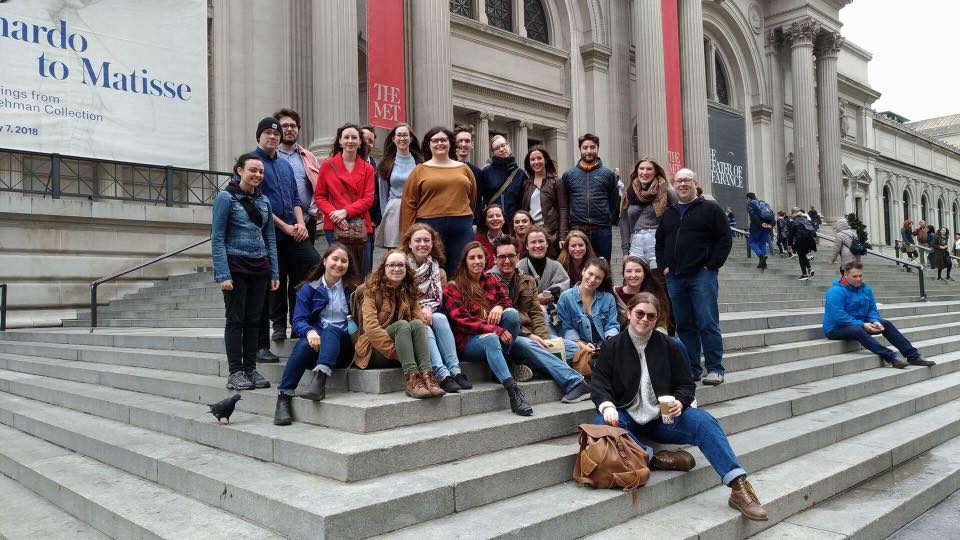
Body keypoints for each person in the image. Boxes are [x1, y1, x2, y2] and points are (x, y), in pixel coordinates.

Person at [590, 292, 768, 521]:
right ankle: (656, 459)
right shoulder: (612, 346)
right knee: (600, 424)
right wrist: (606, 406)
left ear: (657, 318)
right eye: (640, 313)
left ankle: (739, 486)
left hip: (663, 419)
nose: (644, 319)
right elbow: (599, 383)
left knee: (704, 421)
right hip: (625, 416)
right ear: (628, 313)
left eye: (650, 316)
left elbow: (686, 384)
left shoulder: (670, 345)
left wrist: (680, 401)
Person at [488, 237, 592, 403]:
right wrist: (529, 335)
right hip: (505, 338)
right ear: (494, 258)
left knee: (573, 348)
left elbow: (536, 313)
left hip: (531, 336)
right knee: (529, 344)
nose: (507, 260)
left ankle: (531, 368)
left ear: (517, 256)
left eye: (511, 255)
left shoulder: (527, 279)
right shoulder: (487, 281)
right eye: (501, 257)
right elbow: (497, 319)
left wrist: (543, 339)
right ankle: (575, 383)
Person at [655, 168, 732, 386]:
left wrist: (712, 265)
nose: (682, 184)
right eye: (678, 181)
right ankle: (691, 369)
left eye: (686, 180)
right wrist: (664, 267)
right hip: (676, 277)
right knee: (684, 325)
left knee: (707, 322)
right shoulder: (669, 213)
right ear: (673, 184)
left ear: (695, 183)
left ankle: (715, 368)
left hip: (701, 275)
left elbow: (724, 238)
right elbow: (660, 242)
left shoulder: (710, 208)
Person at [212, 153, 281, 391]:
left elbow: (270, 237)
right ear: (239, 170)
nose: (257, 175)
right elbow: (218, 237)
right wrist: (223, 274)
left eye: (261, 172)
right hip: (236, 265)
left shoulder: (265, 201)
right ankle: (235, 371)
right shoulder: (225, 198)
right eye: (253, 170)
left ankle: (250, 368)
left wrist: (274, 272)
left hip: (260, 267)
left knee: (254, 320)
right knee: (236, 320)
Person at [252, 117, 319, 354]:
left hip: (294, 231)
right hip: (268, 235)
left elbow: (295, 199)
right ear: (259, 136)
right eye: (268, 133)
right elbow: (258, 201)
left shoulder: (284, 165)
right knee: (274, 282)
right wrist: (284, 226)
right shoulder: (252, 162)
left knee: (312, 266)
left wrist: (300, 224)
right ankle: (277, 324)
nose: (273, 136)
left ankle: (298, 322)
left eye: (276, 133)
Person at [443, 241, 534, 416]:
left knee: (512, 315)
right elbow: (462, 321)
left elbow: (506, 301)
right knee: (492, 338)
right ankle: (513, 391)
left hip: (492, 337)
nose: (477, 261)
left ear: (486, 260)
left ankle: (499, 366)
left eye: (480, 257)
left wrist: (500, 307)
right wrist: (495, 329)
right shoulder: (452, 288)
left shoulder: (491, 280)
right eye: (472, 258)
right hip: (468, 342)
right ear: (464, 261)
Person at [274, 244, 354, 426]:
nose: (339, 264)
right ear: (325, 261)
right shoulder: (309, 289)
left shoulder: (353, 288)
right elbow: (298, 320)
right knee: (303, 344)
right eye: (335, 259)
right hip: (319, 347)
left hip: (345, 348)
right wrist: (309, 331)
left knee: (331, 329)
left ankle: (320, 378)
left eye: (344, 260)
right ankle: (284, 396)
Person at [353, 250, 445, 399]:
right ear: (384, 268)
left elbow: (421, 322)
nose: (397, 269)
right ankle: (412, 379)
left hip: (405, 348)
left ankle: (428, 376)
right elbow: (371, 329)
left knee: (416, 323)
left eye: (401, 265)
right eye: (392, 265)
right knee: (402, 325)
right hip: (375, 350)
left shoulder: (410, 290)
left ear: (406, 269)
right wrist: (400, 352)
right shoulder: (370, 291)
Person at [823, 262, 936, 369]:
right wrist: (862, 324)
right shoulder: (835, 291)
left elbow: (871, 310)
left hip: (860, 325)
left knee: (885, 323)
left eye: (860, 276)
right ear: (845, 275)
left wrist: (875, 321)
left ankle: (913, 356)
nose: (858, 279)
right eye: (855, 276)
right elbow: (839, 316)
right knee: (857, 330)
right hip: (836, 329)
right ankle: (892, 358)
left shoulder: (866, 289)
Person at [399, 126, 478, 277]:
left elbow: (472, 198)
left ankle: (458, 300)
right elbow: (409, 204)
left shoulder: (464, 169)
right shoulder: (419, 170)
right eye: (435, 140)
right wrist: (406, 236)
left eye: (443, 140)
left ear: (450, 143)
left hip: (461, 225)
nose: (439, 143)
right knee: (431, 269)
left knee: (461, 268)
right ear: (429, 144)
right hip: (429, 226)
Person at [402, 223, 470, 393]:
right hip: (406, 316)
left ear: (433, 244)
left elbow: (438, 300)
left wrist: (428, 310)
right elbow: (401, 299)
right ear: (409, 243)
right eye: (418, 240)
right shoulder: (400, 266)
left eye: (427, 240)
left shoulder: (438, 271)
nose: (422, 244)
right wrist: (420, 310)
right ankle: (441, 374)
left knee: (440, 317)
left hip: (432, 313)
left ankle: (455, 371)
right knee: (425, 325)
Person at [315, 123, 376, 286]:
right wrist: (335, 214)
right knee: (338, 269)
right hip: (334, 225)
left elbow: (369, 199)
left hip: (361, 225)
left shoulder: (368, 168)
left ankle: (358, 309)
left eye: (354, 137)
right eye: (346, 137)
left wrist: (345, 212)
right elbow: (320, 196)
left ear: (360, 142)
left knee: (362, 272)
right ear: (340, 141)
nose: (350, 141)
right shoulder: (328, 165)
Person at [561, 133, 620, 261]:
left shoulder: (608, 174)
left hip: (602, 230)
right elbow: (565, 204)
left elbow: (614, 201)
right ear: (580, 149)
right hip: (577, 230)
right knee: (578, 267)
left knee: (602, 267)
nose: (589, 151)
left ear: (597, 149)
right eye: (585, 147)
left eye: (592, 147)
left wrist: (608, 220)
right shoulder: (569, 175)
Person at [619, 158, 676, 270]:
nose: (644, 172)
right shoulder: (630, 192)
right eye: (642, 169)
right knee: (633, 281)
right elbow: (624, 221)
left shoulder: (665, 189)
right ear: (637, 171)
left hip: (657, 241)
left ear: (655, 172)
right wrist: (625, 251)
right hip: (635, 242)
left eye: (649, 169)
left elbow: (678, 215)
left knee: (658, 281)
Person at [274, 108, 321, 243]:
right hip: (279, 223)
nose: (289, 129)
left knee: (307, 263)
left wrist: (314, 211)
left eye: (293, 126)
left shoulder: (309, 156)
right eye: (284, 126)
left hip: (307, 221)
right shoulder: (271, 154)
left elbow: (318, 184)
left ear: (298, 129)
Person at [556, 258, 620, 353]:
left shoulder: (608, 298)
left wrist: (610, 344)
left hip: (604, 347)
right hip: (577, 347)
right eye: (590, 274)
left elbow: (612, 326)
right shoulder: (566, 298)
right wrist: (583, 346)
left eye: (598, 278)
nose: (592, 280)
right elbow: (567, 328)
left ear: (602, 280)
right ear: (583, 271)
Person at [375, 123, 423, 249]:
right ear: (393, 138)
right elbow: (382, 194)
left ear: (411, 139)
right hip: (394, 211)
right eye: (399, 135)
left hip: (416, 209)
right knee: (395, 251)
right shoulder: (385, 163)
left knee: (415, 247)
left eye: (405, 135)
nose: (402, 138)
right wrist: (385, 216)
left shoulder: (420, 162)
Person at [518, 225, 571, 338]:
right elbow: (516, 297)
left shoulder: (556, 266)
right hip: (528, 317)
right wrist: (536, 300)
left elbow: (564, 288)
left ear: (547, 243)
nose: (537, 245)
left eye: (541, 241)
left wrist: (549, 296)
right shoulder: (518, 267)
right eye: (533, 242)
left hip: (556, 313)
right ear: (527, 246)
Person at [520, 145, 567, 253]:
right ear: (529, 162)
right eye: (532, 159)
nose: (536, 162)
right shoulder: (526, 184)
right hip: (531, 234)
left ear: (545, 160)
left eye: (539, 158)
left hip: (551, 235)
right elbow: (524, 210)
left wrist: (563, 236)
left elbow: (563, 210)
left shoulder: (557, 182)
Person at [478, 134, 525, 224]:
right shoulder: (486, 172)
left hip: (514, 224)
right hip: (493, 222)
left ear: (508, 145)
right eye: (497, 148)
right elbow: (479, 201)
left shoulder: (520, 174)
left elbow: (524, 202)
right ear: (493, 152)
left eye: (503, 145)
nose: (501, 149)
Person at [361, 125, 379, 275]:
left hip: (369, 223)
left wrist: (375, 219)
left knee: (367, 266)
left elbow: (377, 194)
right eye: (364, 139)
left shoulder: (373, 164)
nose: (367, 143)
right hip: (346, 221)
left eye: (370, 141)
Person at [475, 204, 508, 270]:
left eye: (498, 215)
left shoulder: (510, 241)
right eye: (490, 216)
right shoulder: (477, 241)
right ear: (485, 222)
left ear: (504, 220)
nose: (495, 218)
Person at [745, 192, 773, 270]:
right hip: (766, 227)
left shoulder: (750, 204)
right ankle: (764, 264)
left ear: (748, 198)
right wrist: (771, 224)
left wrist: (761, 224)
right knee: (762, 244)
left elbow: (753, 216)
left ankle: (761, 256)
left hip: (756, 227)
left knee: (751, 242)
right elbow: (772, 214)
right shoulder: (763, 203)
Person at [788, 207, 817, 280]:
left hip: (800, 240)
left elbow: (791, 234)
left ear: (793, 213)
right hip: (810, 240)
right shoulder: (805, 220)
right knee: (803, 255)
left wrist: (789, 245)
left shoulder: (794, 221)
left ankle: (804, 274)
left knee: (801, 256)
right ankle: (810, 269)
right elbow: (813, 231)